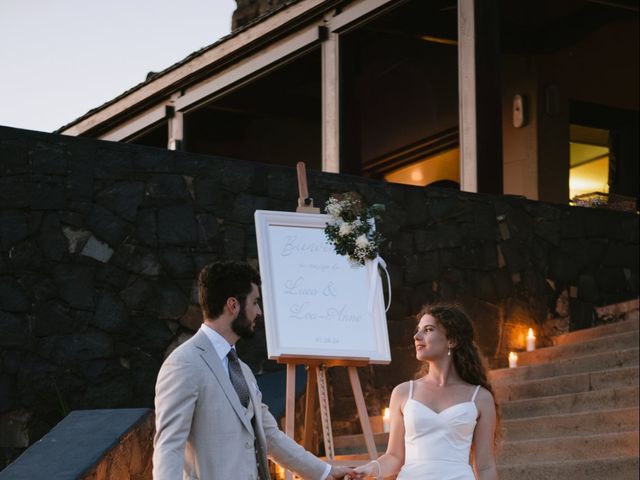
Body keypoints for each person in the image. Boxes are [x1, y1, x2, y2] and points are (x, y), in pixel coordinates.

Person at [153, 260, 355, 480]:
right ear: (233, 305)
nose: (258, 312)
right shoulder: (184, 363)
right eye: (255, 302)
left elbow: (269, 437)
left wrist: (326, 472)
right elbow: (169, 446)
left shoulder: (243, 371)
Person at [351, 304, 500, 480]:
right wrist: (369, 469)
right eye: (418, 330)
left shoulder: (480, 397)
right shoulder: (403, 392)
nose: (416, 336)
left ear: (452, 340)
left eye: (428, 330)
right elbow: (394, 457)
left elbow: (485, 467)